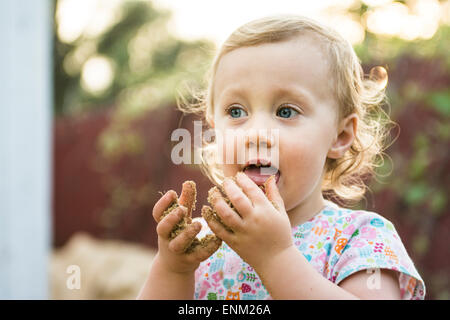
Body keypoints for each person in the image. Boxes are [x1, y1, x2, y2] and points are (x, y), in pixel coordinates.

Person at [137, 14, 425, 300]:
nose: (256, 134)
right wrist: (173, 270)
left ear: (340, 136)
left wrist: (276, 258)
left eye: (286, 111)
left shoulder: (362, 239)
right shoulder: (206, 245)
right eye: (236, 112)